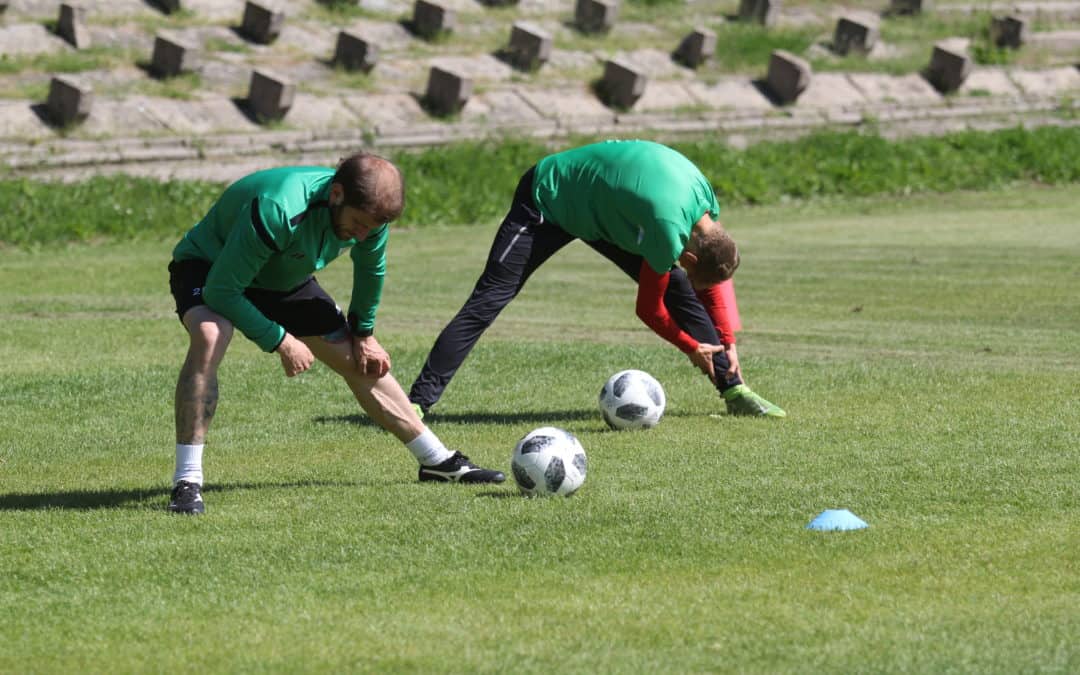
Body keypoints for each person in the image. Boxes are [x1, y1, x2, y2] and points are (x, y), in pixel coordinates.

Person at [167, 153, 504, 515]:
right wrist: (280, 339)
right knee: (211, 334)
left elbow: (371, 272)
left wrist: (364, 333)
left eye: (371, 229)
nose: (363, 235)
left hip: (282, 276)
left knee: (360, 361)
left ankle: (437, 461)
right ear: (337, 195)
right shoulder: (280, 208)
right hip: (210, 267)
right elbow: (222, 291)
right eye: (358, 224)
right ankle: (187, 481)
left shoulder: (371, 219)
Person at [408, 139, 785, 421]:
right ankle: (418, 403)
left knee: (680, 287)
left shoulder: (706, 211)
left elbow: (715, 278)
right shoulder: (668, 227)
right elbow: (648, 310)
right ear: (687, 256)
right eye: (685, 265)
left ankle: (734, 389)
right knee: (489, 299)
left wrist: (727, 340)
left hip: (606, 212)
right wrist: (690, 345)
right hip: (549, 197)